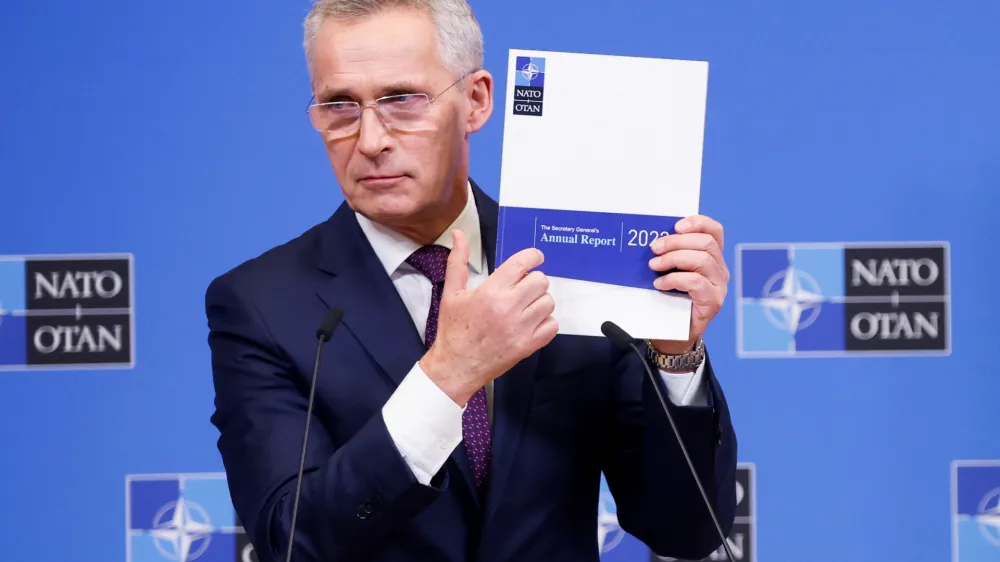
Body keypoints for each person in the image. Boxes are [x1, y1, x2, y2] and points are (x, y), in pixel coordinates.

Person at [205, 1, 738, 560]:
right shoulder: (261, 304)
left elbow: (689, 530)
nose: (369, 140)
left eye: (401, 100)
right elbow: (292, 541)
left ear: (476, 100)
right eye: (340, 106)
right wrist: (446, 377)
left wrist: (676, 357)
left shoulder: (573, 264)